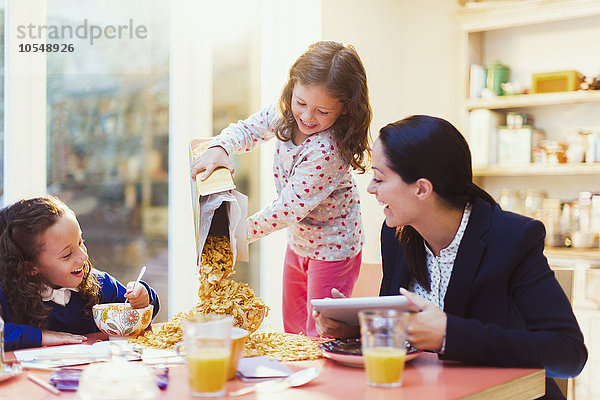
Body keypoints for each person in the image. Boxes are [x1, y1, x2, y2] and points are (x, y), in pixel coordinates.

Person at [315, 115, 587, 400]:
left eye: (379, 178)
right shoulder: (396, 235)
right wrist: (358, 328)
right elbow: (405, 330)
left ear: (421, 188)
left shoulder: (512, 238)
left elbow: (568, 354)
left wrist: (449, 335)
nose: (371, 188)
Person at [191, 41, 372, 337]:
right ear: (291, 90)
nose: (307, 116)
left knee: (320, 335)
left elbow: (287, 209)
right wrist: (222, 145)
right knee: (293, 329)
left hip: (333, 250)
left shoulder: (328, 150)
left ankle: (320, 382)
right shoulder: (285, 115)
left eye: (322, 110)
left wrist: (236, 235)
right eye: (300, 102)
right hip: (299, 241)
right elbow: (248, 129)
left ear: (345, 108)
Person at [0, 196, 160, 351]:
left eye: (80, 242)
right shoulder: (7, 296)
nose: (83, 256)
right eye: (67, 254)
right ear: (30, 267)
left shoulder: (101, 284)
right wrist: (41, 336)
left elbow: (140, 314)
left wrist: (143, 300)